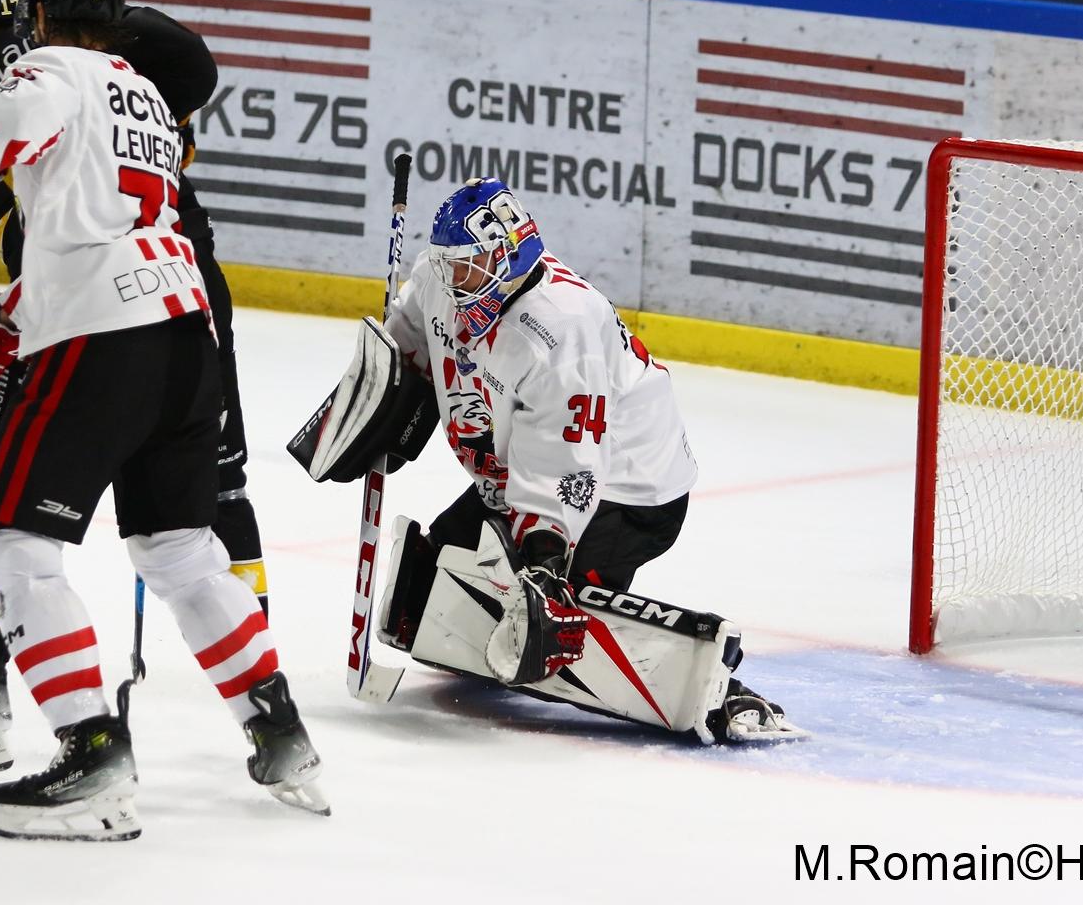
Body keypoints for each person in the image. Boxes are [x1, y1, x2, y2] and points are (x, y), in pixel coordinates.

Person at [0, 0, 325, 840]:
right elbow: (111, 230)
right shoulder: (147, 100)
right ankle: (278, 730)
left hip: (105, 344)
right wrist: (6, 324)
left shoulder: (49, 68)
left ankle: (92, 754)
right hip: (185, 337)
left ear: (44, 17)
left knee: (10, 540)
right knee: (178, 548)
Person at [293, 177, 796, 741]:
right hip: (522, 474)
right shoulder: (443, 280)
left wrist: (542, 565)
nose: (454, 281)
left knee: (537, 612)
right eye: (448, 265)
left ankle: (715, 691)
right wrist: (364, 410)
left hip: (626, 490)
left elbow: (567, 465)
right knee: (434, 587)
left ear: (508, 257)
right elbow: (404, 347)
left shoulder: (561, 328)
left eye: (468, 267)